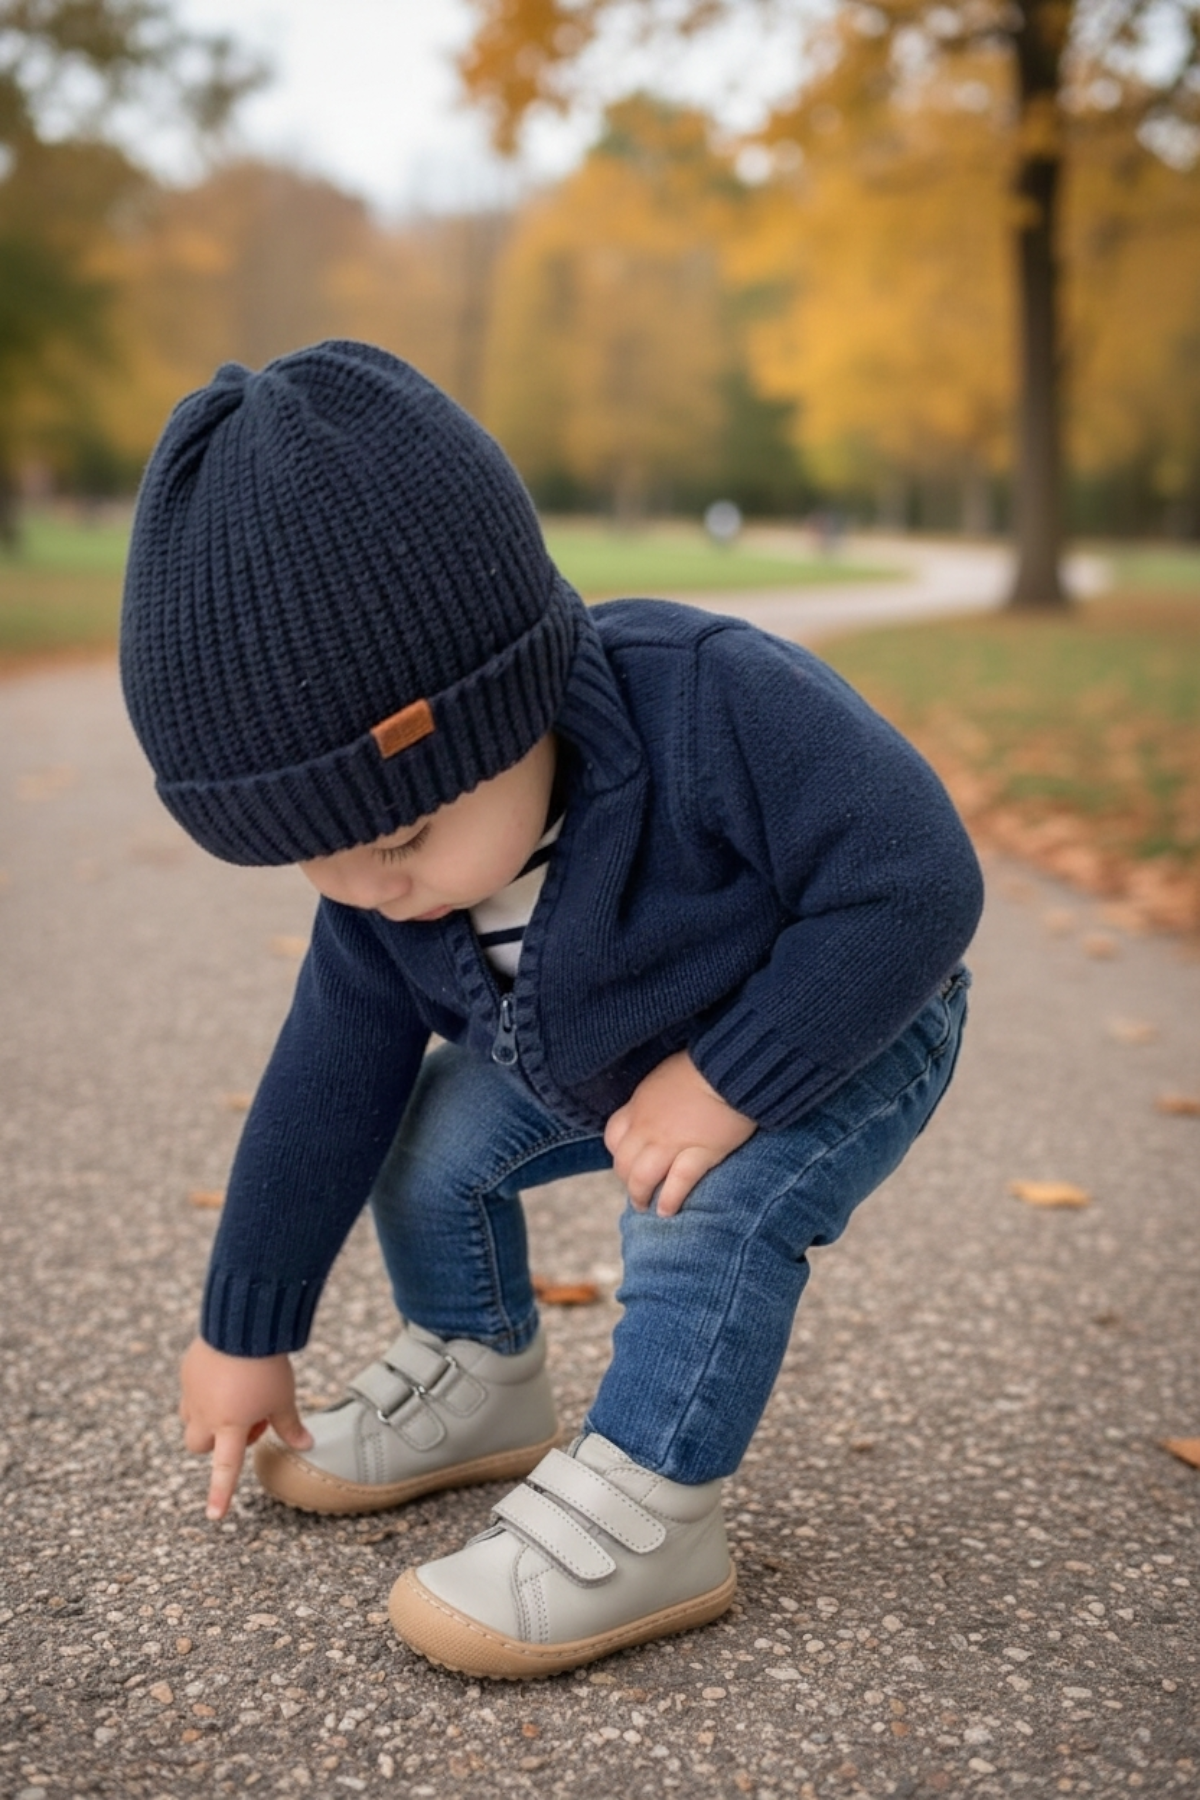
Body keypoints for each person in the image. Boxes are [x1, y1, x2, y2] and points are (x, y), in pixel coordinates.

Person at [120, 340, 983, 1682]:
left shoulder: (708, 698)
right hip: (594, 1050)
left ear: (511, 702)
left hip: (839, 1014)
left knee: (704, 1207)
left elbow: (915, 880)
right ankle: (482, 1371)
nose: (370, 890)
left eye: (399, 830)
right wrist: (246, 1327)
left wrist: (730, 1077)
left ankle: (655, 1503)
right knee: (427, 1147)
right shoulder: (380, 892)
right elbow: (318, 1095)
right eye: (318, 856)